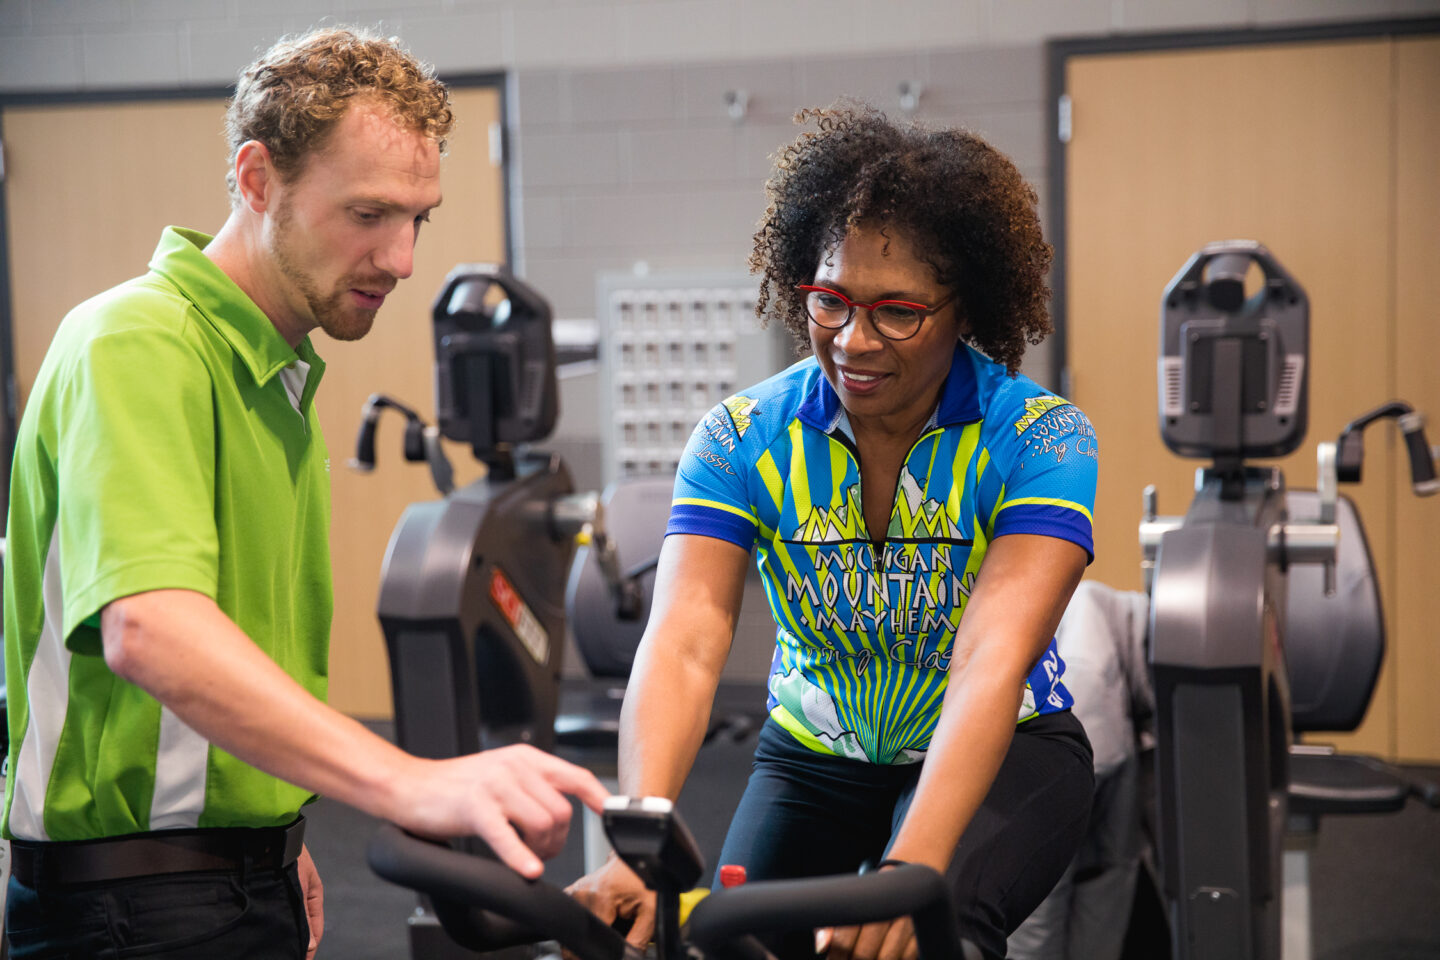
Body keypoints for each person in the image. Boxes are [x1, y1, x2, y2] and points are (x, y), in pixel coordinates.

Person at [2, 27, 607, 960]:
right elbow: (149, 626)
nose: (402, 259)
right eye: (368, 215)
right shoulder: (139, 342)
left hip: (229, 874)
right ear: (256, 179)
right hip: (128, 909)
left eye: (419, 220)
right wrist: (408, 784)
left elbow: (235, 656)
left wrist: (269, 832)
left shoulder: (278, 372)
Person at [569, 103, 1098, 960]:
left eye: (897, 311)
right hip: (817, 748)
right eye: (830, 301)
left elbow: (989, 662)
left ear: (965, 308)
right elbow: (687, 639)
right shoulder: (742, 437)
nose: (853, 340)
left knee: (931, 935)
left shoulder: (1042, 439)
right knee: (726, 944)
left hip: (1007, 745)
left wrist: (912, 870)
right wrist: (643, 839)